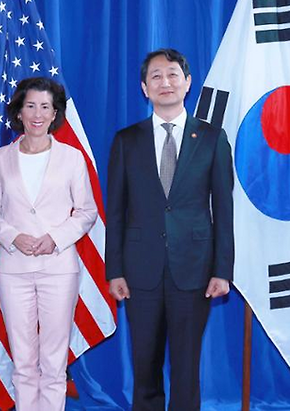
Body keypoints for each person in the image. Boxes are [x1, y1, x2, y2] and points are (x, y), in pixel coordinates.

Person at [106, 48, 234, 411]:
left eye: (173, 74)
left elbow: (224, 209)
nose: (166, 82)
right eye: (156, 76)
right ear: (145, 88)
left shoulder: (211, 138)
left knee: (186, 366)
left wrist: (222, 271)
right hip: (139, 270)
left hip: (194, 270)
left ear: (187, 83)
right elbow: (115, 211)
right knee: (144, 365)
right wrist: (114, 269)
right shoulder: (126, 140)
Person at [0, 77, 98, 410]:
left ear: (55, 112)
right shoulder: (0, 159)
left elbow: (86, 212)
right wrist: (14, 236)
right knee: (24, 359)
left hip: (58, 268)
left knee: (54, 360)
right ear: (18, 111)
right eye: (30, 105)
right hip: (13, 268)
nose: (37, 113)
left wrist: (54, 239)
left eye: (46, 106)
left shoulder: (72, 159)